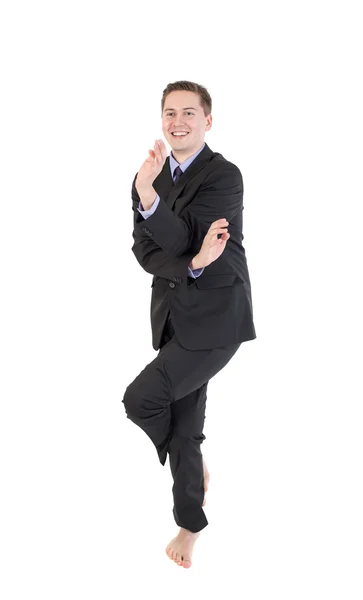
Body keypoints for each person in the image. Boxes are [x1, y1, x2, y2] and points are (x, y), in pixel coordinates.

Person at [122, 80, 256, 568]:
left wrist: (151, 204)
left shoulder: (224, 176)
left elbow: (179, 239)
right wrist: (188, 261)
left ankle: (193, 466)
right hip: (174, 317)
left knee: (142, 398)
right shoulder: (147, 175)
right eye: (170, 113)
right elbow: (146, 251)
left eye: (189, 114)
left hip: (217, 320)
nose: (178, 122)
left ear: (208, 120)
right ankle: (189, 526)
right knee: (183, 430)